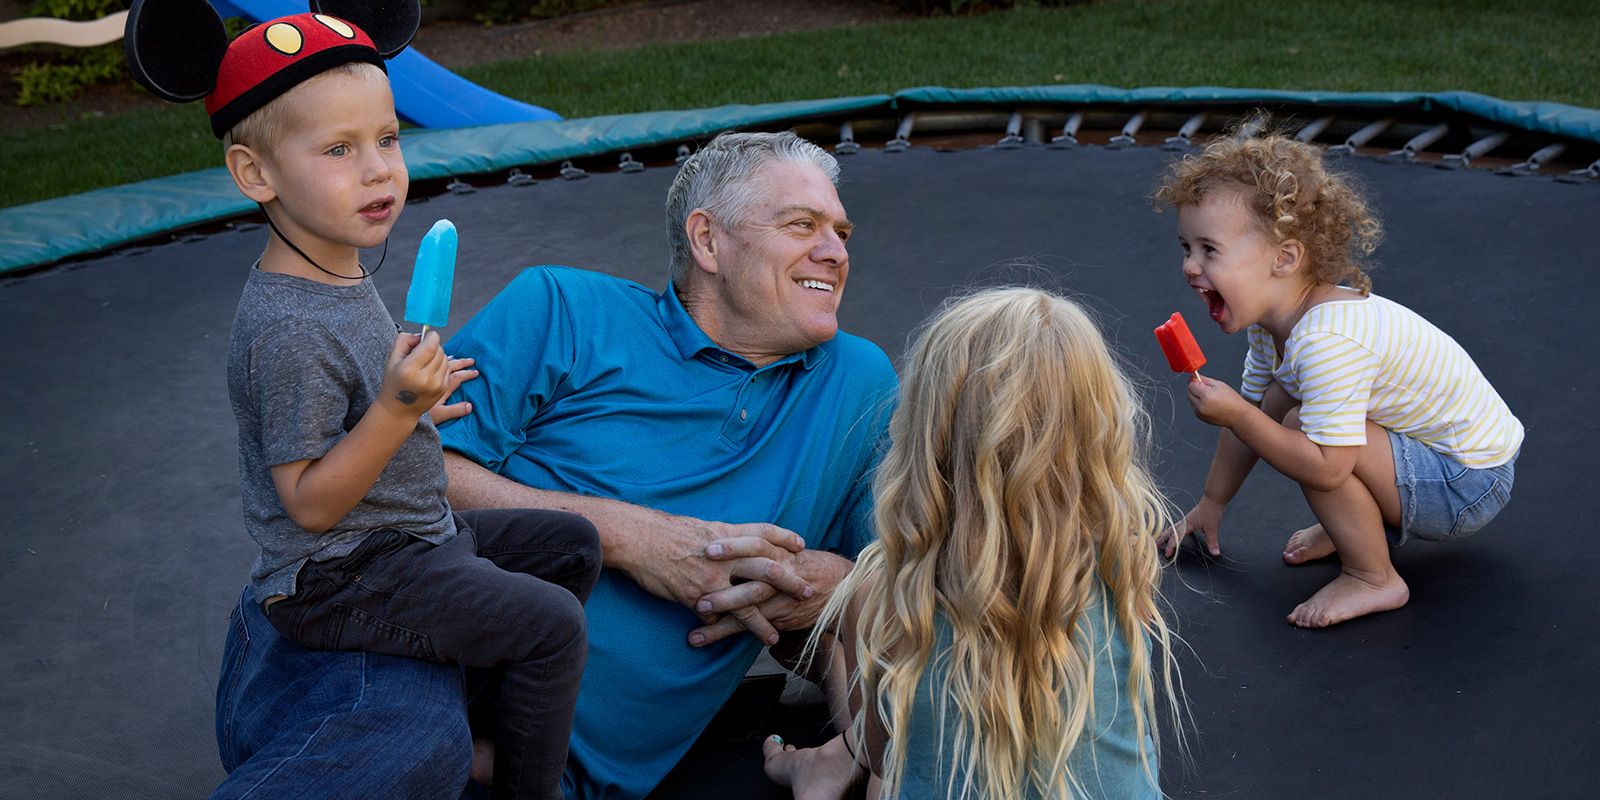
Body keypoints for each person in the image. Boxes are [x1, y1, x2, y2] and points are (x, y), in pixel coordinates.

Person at [125, 4, 602, 797]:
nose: (379, 168)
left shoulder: (337, 262)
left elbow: (354, 410)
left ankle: (483, 730)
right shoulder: (287, 324)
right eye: (340, 150)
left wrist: (411, 410)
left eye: (388, 138)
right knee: (552, 629)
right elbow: (308, 504)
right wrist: (392, 413)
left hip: (408, 538)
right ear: (256, 175)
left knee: (571, 547)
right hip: (340, 575)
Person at [438, 129, 899, 798]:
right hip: (427, 708)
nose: (834, 251)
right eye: (802, 225)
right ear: (708, 241)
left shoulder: (857, 383)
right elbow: (412, 475)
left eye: (841, 231)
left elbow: (897, 588)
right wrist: (635, 540)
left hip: (559, 783)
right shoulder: (560, 310)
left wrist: (834, 589)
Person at [761, 287, 1181, 799]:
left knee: (883, 772)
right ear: (1099, 429)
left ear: (923, 436)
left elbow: (880, 753)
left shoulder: (882, 595)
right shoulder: (1122, 560)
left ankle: (818, 769)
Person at [1153, 124, 1523, 628]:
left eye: (1209, 250)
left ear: (1284, 258)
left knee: (1305, 430)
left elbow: (1326, 466)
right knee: (1281, 403)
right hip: (1434, 455)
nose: (1190, 267)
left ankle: (1373, 575)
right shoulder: (1272, 323)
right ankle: (1354, 525)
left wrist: (1239, 414)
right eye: (1185, 247)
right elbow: (1255, 414)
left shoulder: (1328, 340)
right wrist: (1211, 503)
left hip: (1468, 480)